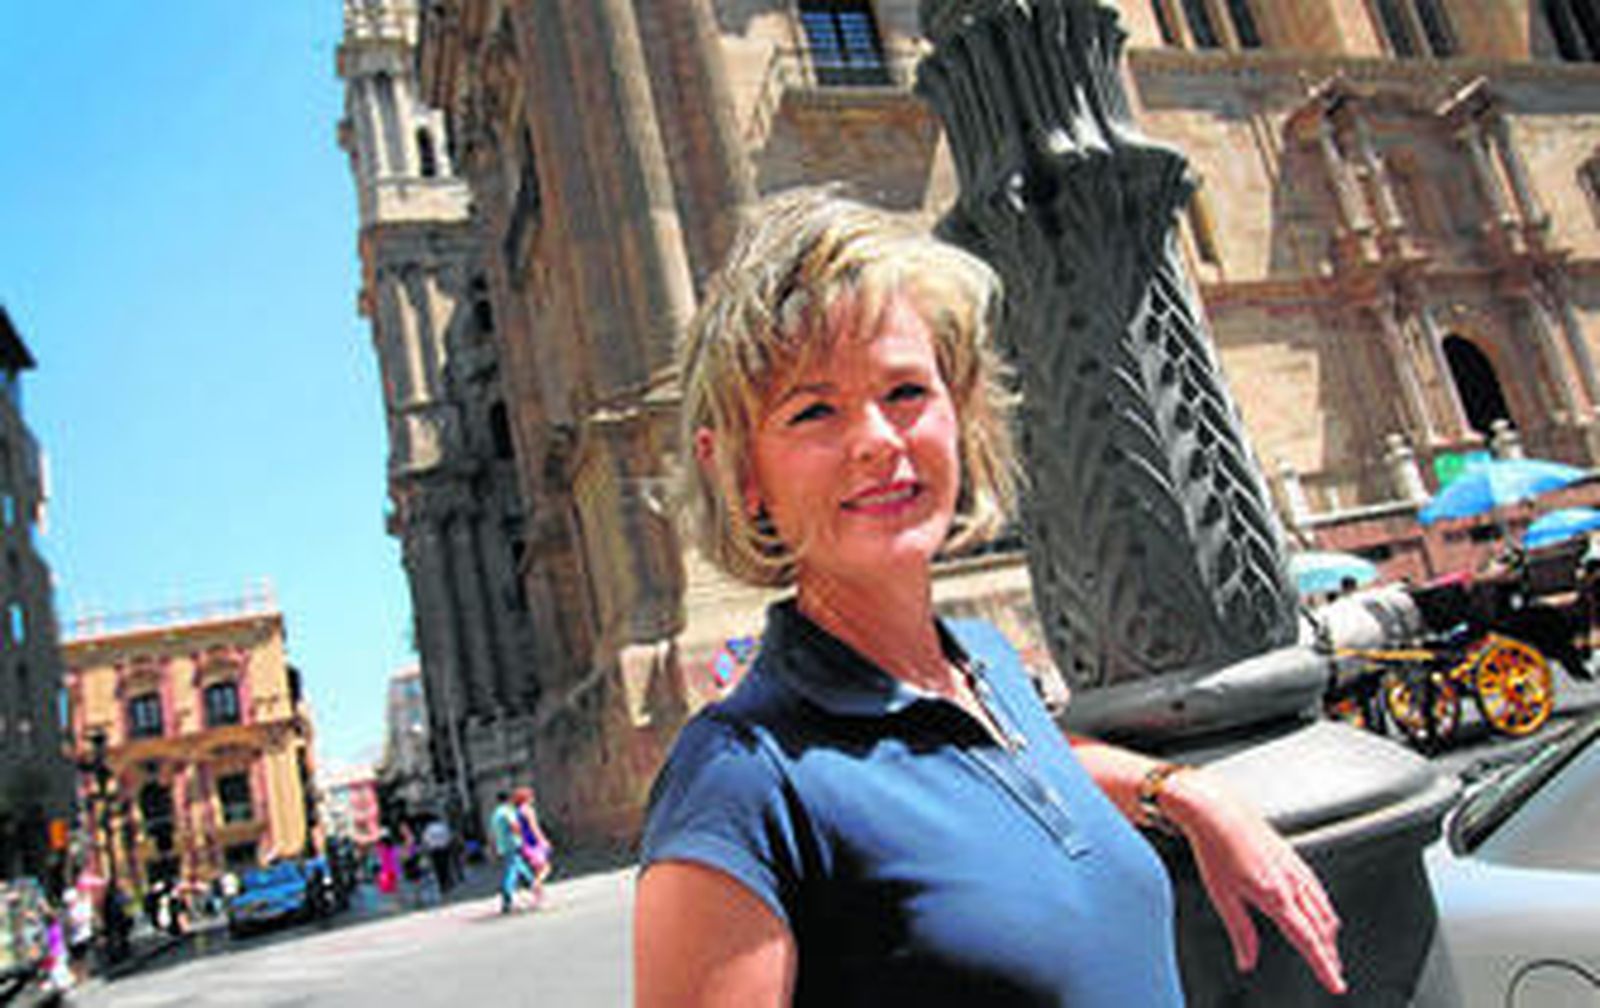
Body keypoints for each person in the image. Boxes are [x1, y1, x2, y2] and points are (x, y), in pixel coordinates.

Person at [635, 188, 1346, 1006]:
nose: (877, 441)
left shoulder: (983, 670)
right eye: (815, 410)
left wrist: (1181, 792)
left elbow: (1006, 768)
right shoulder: (736, 781)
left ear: (958, 414)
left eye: (906, 392)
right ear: (743, 472)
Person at [489, 791, 535, 914]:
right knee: (512, 870)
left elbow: (493, 834)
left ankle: (533, 885)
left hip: (503, 846)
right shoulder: (507, 811)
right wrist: (523, 835)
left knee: (520, 867)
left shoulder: (495, 814)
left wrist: (493, 848)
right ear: (508, 800)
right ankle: (507, 895)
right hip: (512, 844)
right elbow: (514, 825)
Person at [512, 787, 555, 908]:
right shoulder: (528, 810)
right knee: (546, 868)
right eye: (531, 796)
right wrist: (543, 840)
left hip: (526, 844)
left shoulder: (517, 812)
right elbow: (534, 827)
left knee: (537, 870)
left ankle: (539, 899)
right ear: (526, 798)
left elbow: (516, 829)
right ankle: (535, 886)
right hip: (535, 843)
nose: (533, 798)